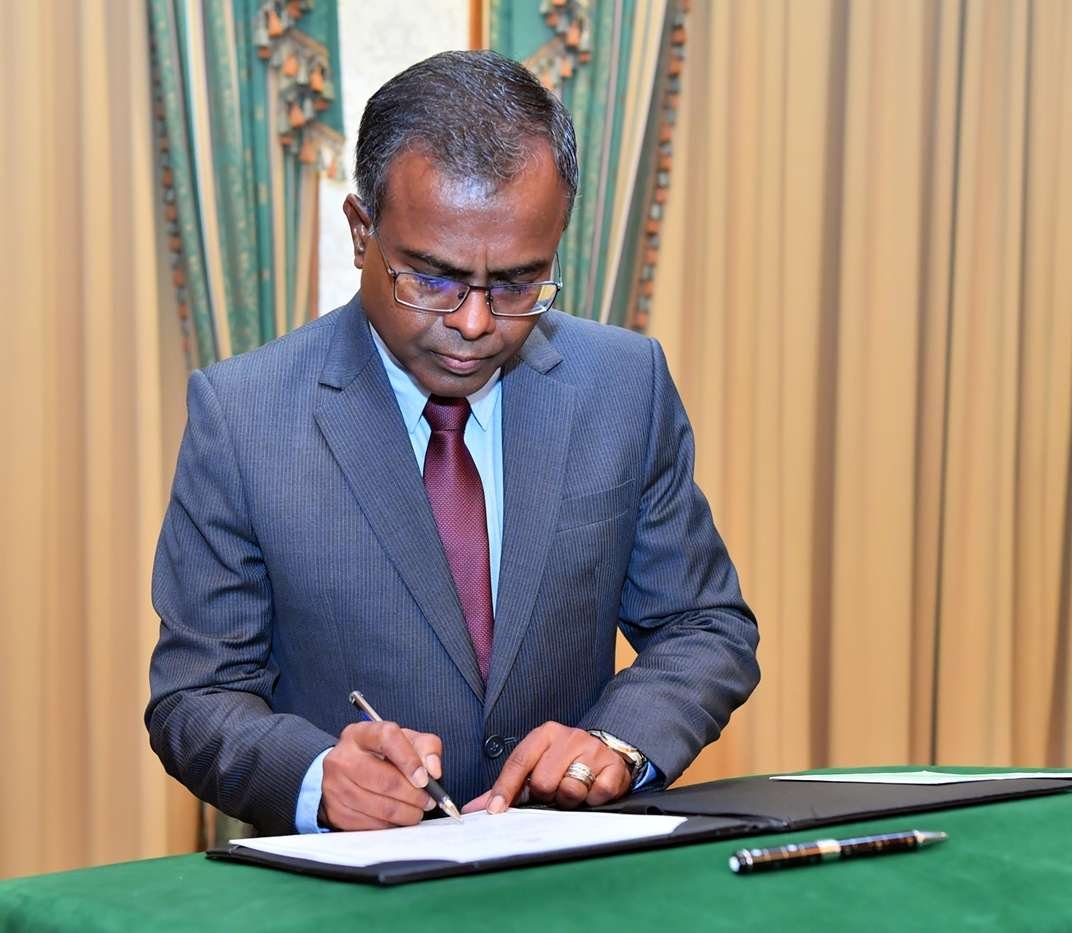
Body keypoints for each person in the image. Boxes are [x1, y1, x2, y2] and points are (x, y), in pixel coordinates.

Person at [146, 49, 758, 835]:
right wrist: (317, 777)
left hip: (573, 874)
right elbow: (196, 696)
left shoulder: (621, 385)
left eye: (516, 283)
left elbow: (704, 626)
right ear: (362, 232)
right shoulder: (243, 416)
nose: (474, 323)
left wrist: (615, 743)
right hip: (353, 888)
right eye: (432, 279)